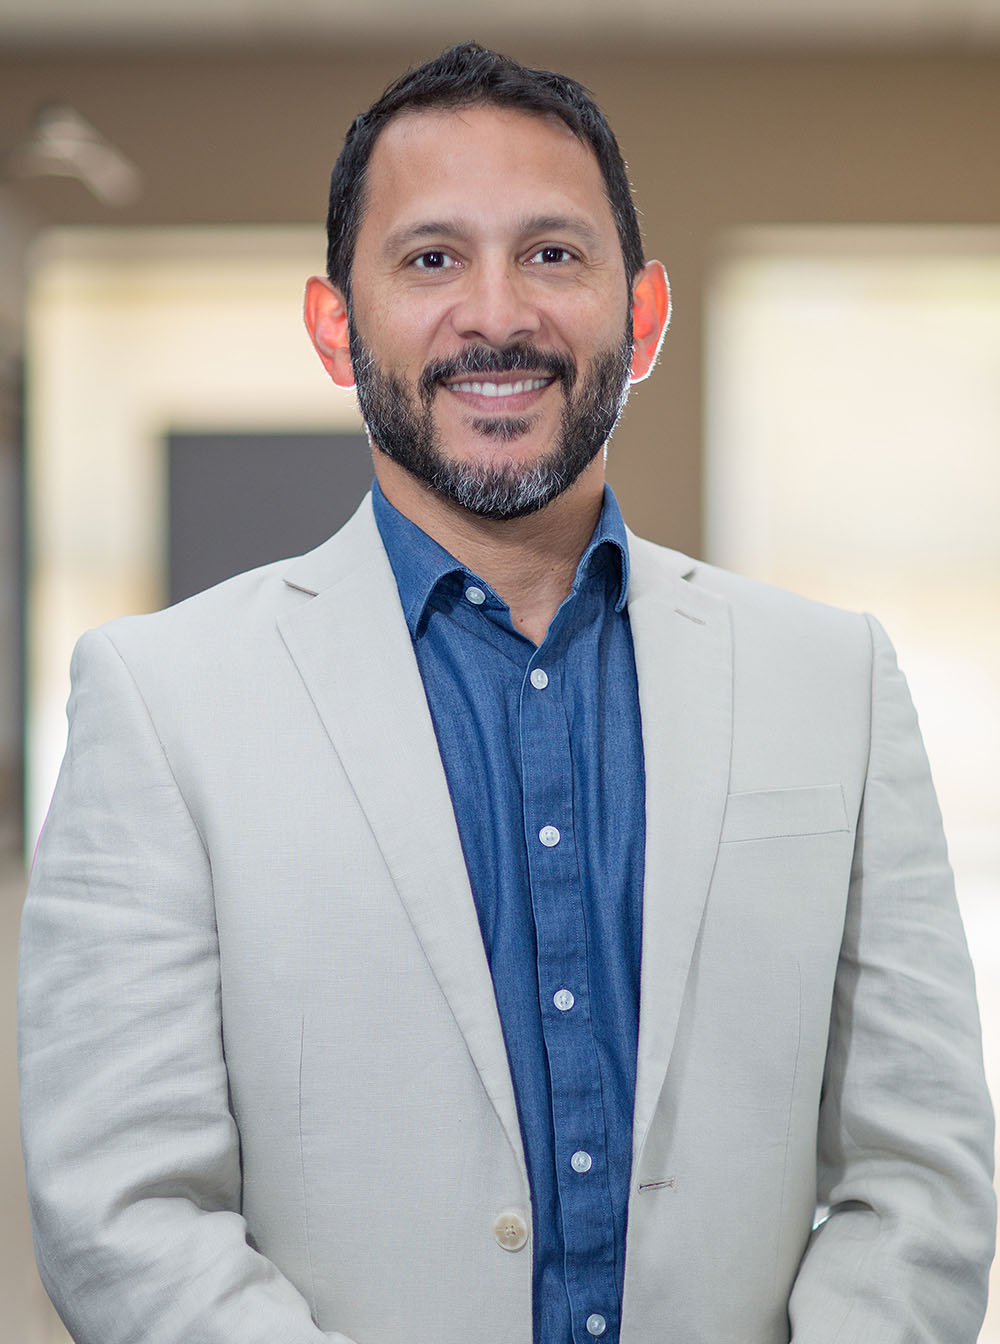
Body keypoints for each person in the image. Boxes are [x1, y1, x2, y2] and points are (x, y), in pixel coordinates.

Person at [18, 41, 995, 1344]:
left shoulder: (834, 683)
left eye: (552, 253)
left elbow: (922, 1173)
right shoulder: (162, 702)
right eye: (431, 258)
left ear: (642, 316)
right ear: (335, 326)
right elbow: (123, 1208)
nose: (496, 314)